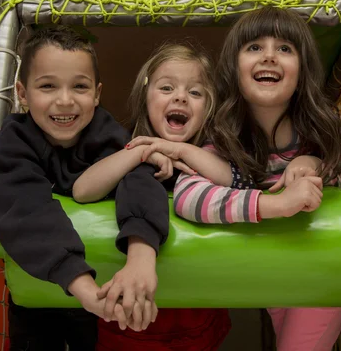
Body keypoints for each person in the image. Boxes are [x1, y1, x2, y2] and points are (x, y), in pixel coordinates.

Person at [166, 6, 341, 350]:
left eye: (285, 48)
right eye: (254, 47)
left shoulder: (321, 128)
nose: (269, 56)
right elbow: (187, 199)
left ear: (301, 71)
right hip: (273, 272)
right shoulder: (223, 134)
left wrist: (315, 166)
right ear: (233, 68)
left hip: (322, 268)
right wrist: (276, 203)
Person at [0, 25, 168, 351]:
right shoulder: (14, 144)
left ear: (97, 94)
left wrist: (141, 257)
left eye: (79, 87)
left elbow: (140, 181)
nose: (65, 100)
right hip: (42, 293)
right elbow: (27, 209)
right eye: (48, 86)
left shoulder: (108, 135)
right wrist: (85, 290)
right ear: (23, 93)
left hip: (108, 286)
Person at [73, 41, 232, 350]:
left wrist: (179, 151)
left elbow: (230, 177)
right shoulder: (124, 151)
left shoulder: (213, 156)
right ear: (145, 98)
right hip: (126, 321)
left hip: (196, 323)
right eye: (167, 87)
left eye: (196, 93)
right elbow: (82, 190)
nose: (181, 96)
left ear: (209, 110)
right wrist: (143, 151)